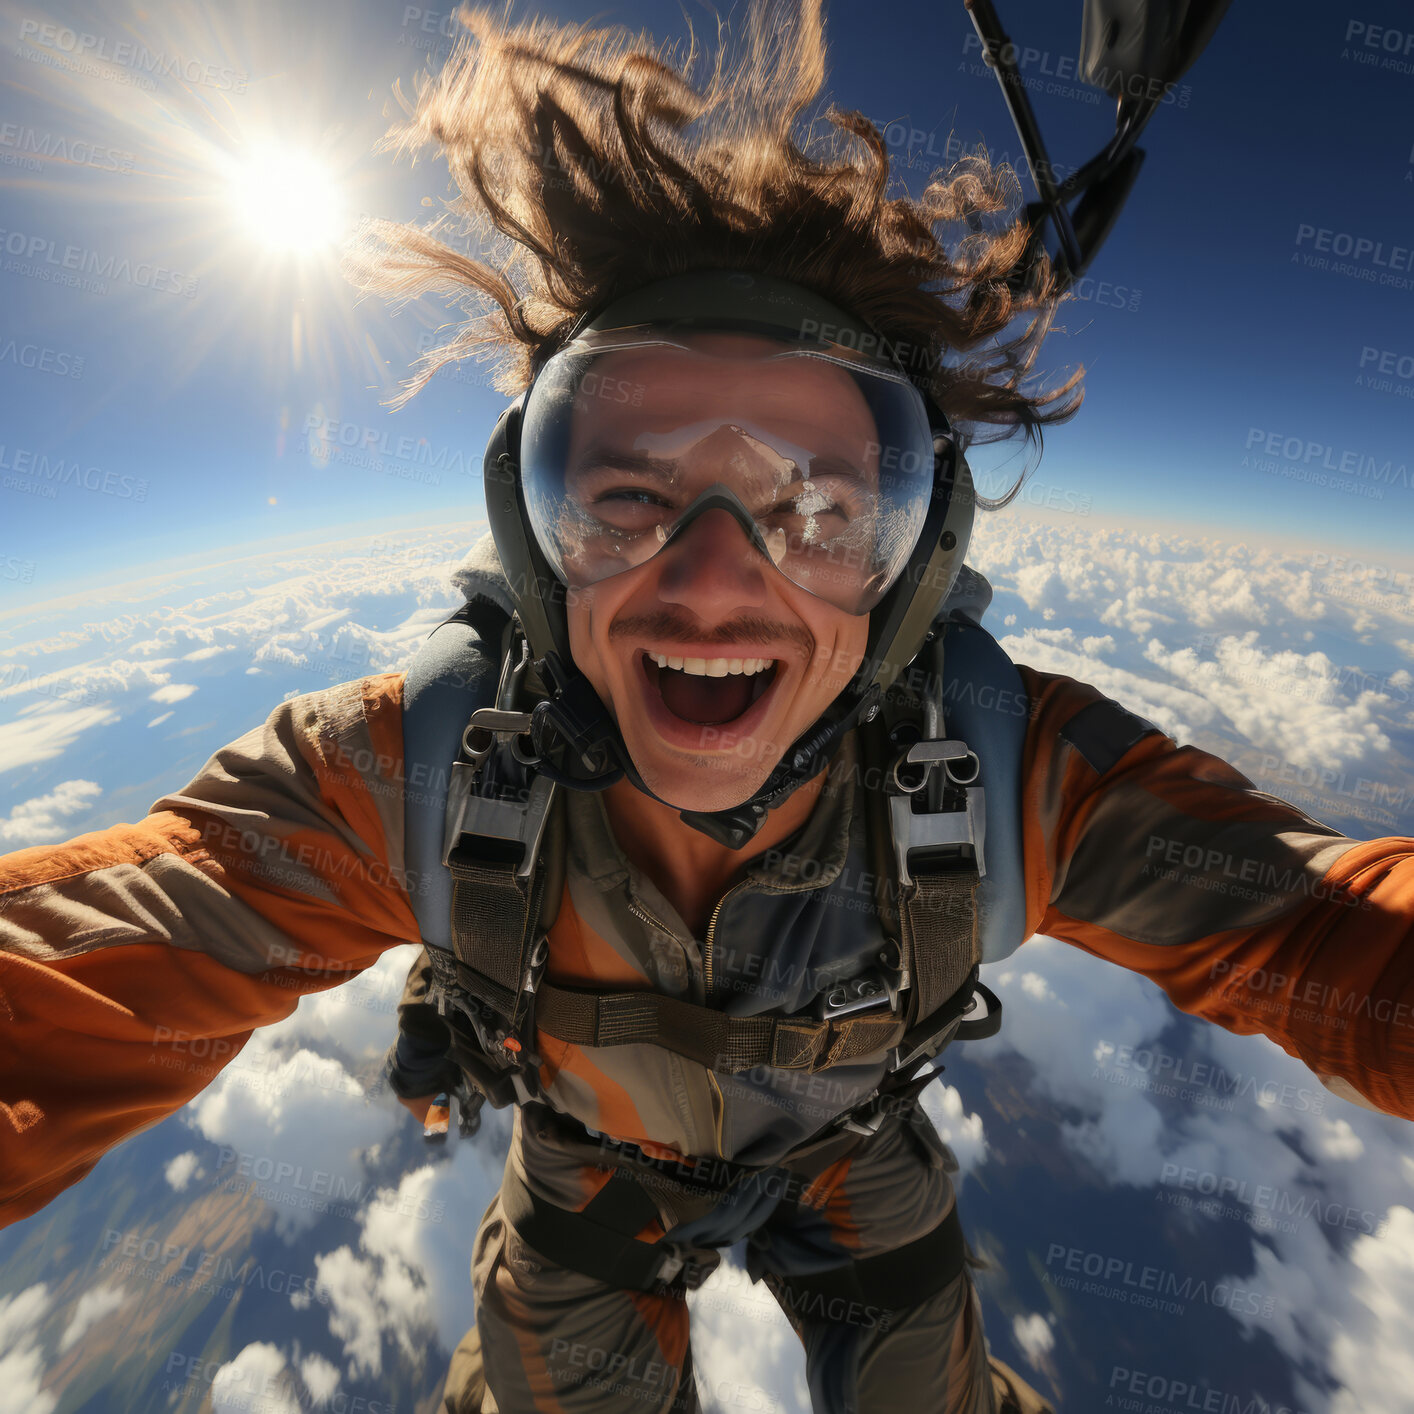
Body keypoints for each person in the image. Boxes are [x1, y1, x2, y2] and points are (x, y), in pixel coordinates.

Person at [1, 6, 1411, 1414]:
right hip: (591, 1170)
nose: (716, 580)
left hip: (842, 1150)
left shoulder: (993, 767)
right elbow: (91, 958)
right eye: (626, 493)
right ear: (535, 539)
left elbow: (1317, 927)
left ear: (909, 563)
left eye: (818, 505)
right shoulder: (419, 765)